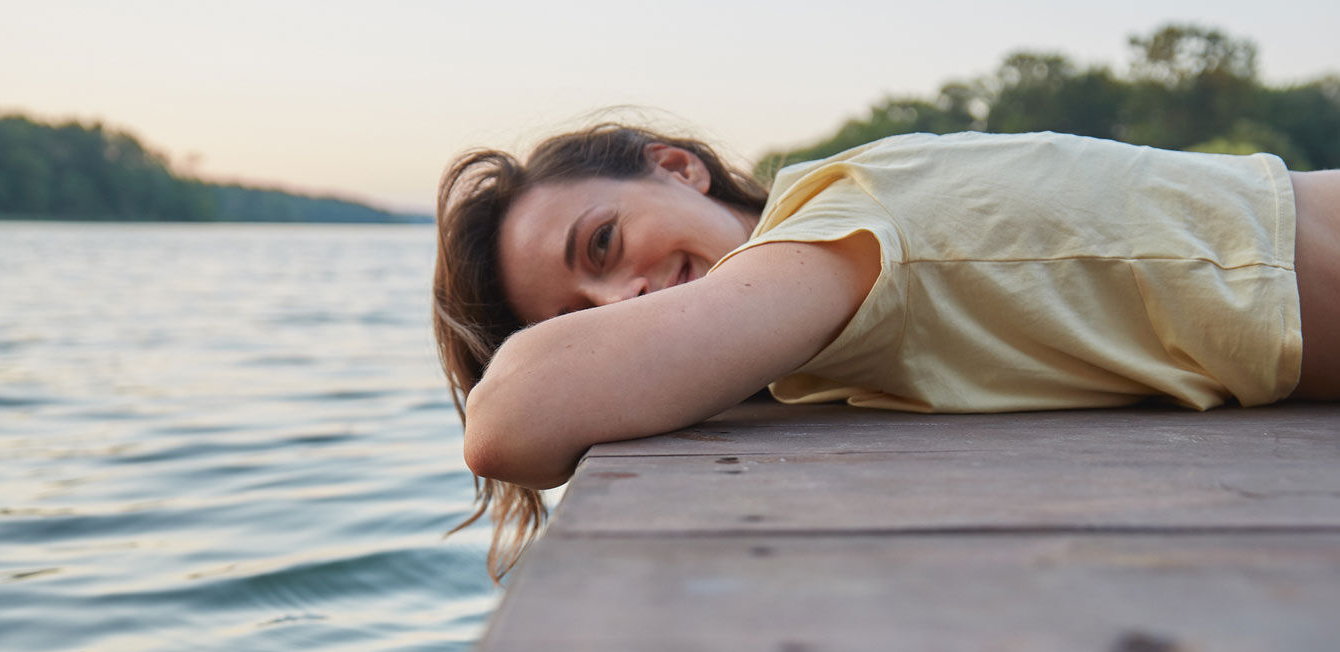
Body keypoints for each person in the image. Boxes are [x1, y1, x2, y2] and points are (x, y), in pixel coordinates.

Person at [433, 123, 1340, 580]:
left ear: (676, 168)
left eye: (600, 245)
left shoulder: (837, 222)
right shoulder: (819, 339)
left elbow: (510, 420)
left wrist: (551, 356)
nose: (618, 300)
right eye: (576, 315)